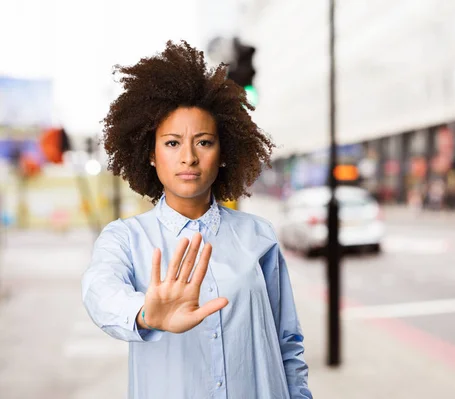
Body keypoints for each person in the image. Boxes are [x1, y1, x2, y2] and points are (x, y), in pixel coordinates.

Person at [82, 40, 312, 399]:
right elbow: (99, 290)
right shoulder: (125, 238)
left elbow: (288, 343)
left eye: (203, 142)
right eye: (172, 143)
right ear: (151, 155)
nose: (188, 157)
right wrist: (144, 313)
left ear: (224, 154)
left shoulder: (258, 235)